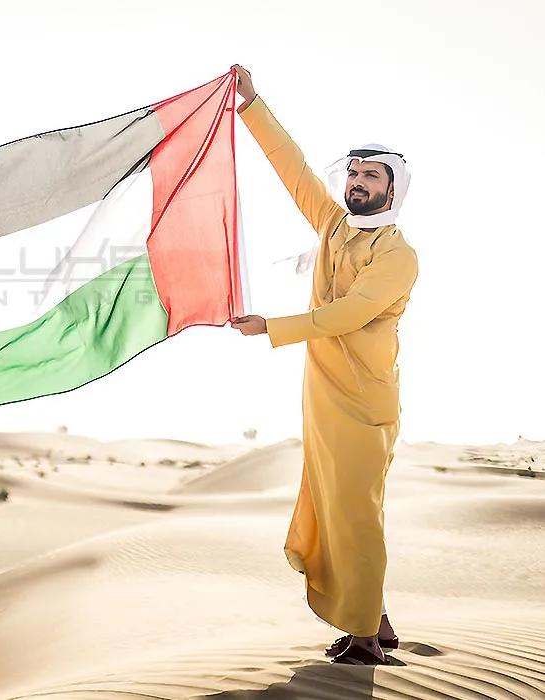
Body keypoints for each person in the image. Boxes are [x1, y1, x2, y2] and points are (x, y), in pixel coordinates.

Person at [229, 64, 418, 666]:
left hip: (364, 404)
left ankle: (364, 640)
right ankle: (376, 621)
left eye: (371, 176)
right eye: (355, 174)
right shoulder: (335, 225)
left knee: (358, 513)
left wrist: (272, 328)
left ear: (393, 189)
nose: (358, 183)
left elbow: (348, 315)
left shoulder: (398, 255)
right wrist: (253, 105)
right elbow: (294, 172)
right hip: (322, 396)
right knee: (340, 511)